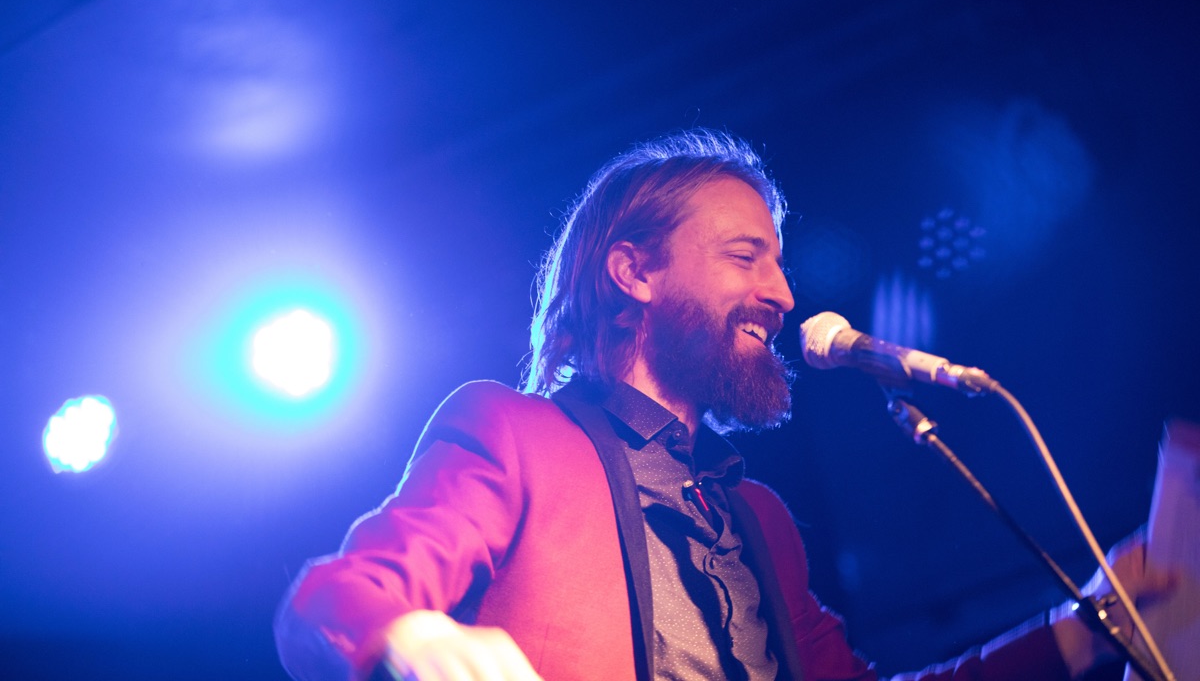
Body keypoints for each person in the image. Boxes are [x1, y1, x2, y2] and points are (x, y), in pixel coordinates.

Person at [275, 129, 1165, 681]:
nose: (781, 292)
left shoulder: (760, 520)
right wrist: (407, 635)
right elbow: (335, 597)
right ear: (634, 271)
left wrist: (1082, 630)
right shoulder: (513, 432)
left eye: (778, 262)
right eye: (746, 257)